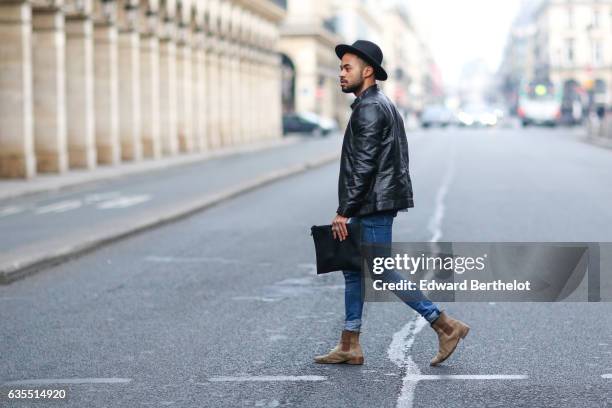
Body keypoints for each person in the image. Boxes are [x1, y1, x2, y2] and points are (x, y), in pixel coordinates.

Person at [314, 40, 470, 367]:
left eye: (347, 67)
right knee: (353, 269)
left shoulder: (370, 108)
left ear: (367, 71)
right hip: (374, 201)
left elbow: (365, 164)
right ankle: (349, 343)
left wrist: (345, 210)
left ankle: (444, 324)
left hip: (372, 204)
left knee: (381, 271)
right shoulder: (379, 103)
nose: (341, 73)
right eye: (341, 67)